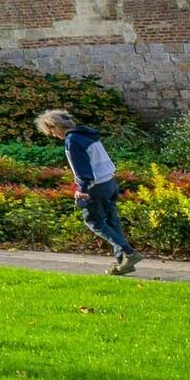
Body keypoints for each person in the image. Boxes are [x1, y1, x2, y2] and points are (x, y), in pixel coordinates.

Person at [39, 105, 134, 274]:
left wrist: (82, 189)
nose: (53, 135)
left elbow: (83, 168)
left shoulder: (72, 141)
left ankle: (129, 253)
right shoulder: (88, 135)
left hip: (96, 186)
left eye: (52, 131)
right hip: (110, 181)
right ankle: (122, 263)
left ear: (55, 127)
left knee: (94, 222)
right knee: (112, 221)